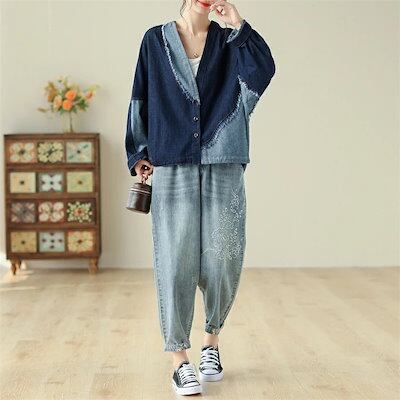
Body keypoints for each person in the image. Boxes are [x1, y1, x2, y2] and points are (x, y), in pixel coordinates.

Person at [125, 0, 276, 395]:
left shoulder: (230, 41)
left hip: (224, 158)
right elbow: (140, 97)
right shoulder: (155, 40)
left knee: (223, 257)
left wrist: (238, 24)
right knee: (175, 259)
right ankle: (179, 359)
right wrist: (139, 152)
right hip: (171, 158)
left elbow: (262, 72)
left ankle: (212, 343)